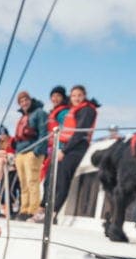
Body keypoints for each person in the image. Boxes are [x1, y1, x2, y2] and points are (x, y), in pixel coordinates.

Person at [35, 84, 100, 223]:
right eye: (74, 96)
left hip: (76, 148)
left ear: (84, 96)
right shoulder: (74, 110)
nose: (76, 98)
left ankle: (52, 214)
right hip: (65, 147)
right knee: (51, 179)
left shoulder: (87, 110)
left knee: (62, 180)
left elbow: (79, 133)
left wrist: (64, 151)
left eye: (79, 95)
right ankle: (43, 210)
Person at [11, 90, 48, 220]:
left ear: (30, 100)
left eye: (26, 100)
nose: (24, 103)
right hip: (20, 153)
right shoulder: (23, 117)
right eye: (21, 101)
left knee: (32, 181)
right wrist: (16, 154)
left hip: (32, 152)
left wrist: (36, 152)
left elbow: (43, 133)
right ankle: (24, 209)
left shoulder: (40, 113)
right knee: (23, 183)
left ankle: (32, 210)